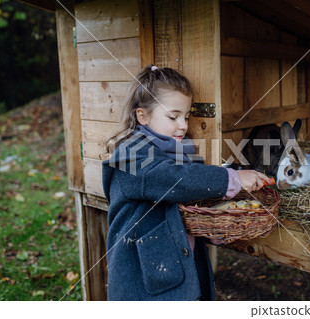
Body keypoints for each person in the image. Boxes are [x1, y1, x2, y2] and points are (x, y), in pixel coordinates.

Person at [102, 65, 271, 301]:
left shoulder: (178, 152)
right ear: (143, 116)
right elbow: (175, 179)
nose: (183, 124)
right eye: (173, 116)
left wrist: (212, 223)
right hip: (143, 279)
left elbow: (187, 194)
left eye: (187, 116)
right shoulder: (130, 156)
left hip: (178, 268)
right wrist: (231, 179)